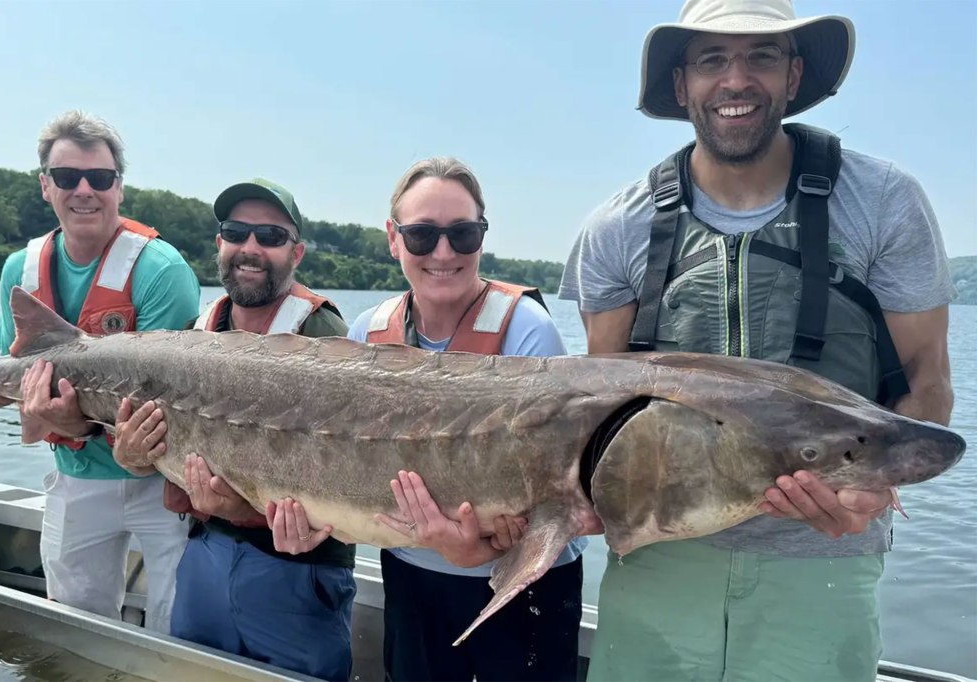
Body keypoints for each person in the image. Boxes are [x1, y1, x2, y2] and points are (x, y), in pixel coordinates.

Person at [559, 1, 956, 680]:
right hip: (658, 560)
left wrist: (872, 488)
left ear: (794, 75)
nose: (736, 79)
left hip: (823, 563)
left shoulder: (884, 201)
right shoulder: (615, 228)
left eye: (761, 56)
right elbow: (603, 411)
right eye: (712, 59)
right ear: (682, 84)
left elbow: (928, 382)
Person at [279, 156, 584, 682]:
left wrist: (485, 547)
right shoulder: (364, 333)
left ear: (482, 237)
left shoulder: (527, 332)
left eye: (462, 234)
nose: (444, 253)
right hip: (412, 578)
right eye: (422, 236)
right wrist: (306, 525)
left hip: (521, 585)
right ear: (393, 239)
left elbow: (561, 493)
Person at [0, 110, 201, 632]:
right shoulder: (18, 270)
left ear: (120, 187)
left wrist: (70, 422)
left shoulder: (163, 270)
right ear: (46, 186)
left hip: (161, 481)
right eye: (67, 178)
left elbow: (171, 403)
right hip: (76, 478)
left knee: (177, 624)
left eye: (100, 178)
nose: (84, 190)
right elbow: (23, 380)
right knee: (73, 625)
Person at [112, 178, 357, 682]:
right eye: (236, 231)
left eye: (270, 235)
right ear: (219, 243)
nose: (251, 248)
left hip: (295, 571)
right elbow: (153, 442)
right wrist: (132, 454)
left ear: (297, 252)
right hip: (203, 552)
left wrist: (245, 510)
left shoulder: (324, 334)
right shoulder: (197, 330)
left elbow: (347, 467)